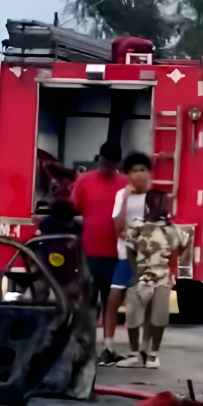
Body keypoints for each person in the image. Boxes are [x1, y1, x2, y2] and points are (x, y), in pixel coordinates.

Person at [116, 191, 183, 369]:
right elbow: (130, 250)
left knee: (158, 317)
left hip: (160, 276)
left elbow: (176, 252)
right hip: (142, 275)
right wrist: (134, 273)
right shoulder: (137, 227)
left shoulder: (169, 229)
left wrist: (170, 268)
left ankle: (152, 354)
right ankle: (136, 353)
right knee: (133, 317)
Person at [98, 151, 153, 365]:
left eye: (142, 170)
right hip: (124, 256)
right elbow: (119, 227)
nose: (138, 175)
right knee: (113, 299)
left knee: (145, 303)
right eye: (133, 171)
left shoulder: (155, 196)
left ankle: (144, 350)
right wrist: (127, 200)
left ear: (149, 173)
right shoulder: (122, 195)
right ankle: (108, 347)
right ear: (127, 174)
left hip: (147, 258)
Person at [70, 141, 127, 337]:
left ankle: (107, 344)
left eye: (112, 164)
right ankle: (83, 339)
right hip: (89, 251)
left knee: (111, 299)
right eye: (105, 162)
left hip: (117, 252)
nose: (108, 167)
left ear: (119, 163)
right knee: (88, 297)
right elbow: (74, 208)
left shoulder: (127, 184)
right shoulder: (84, 180)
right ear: (100, 159)